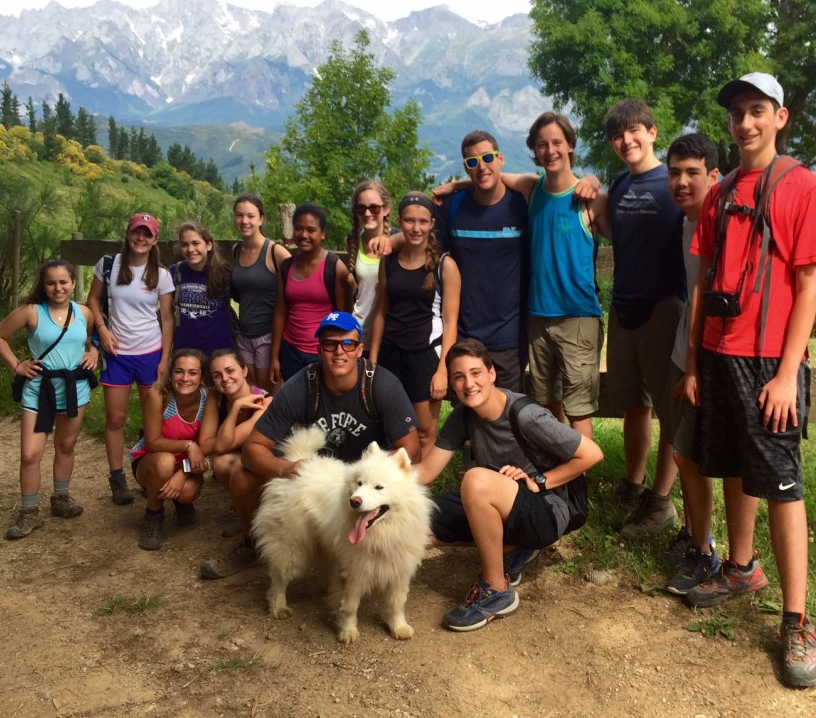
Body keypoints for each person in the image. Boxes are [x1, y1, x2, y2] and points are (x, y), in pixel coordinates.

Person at [682, 73, 816, 688]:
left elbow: (811, 281)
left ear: (780, 117)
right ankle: (741, 567)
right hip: (720, 353)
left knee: (782, 485)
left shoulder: (804, 187)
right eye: (738, 113)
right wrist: (694, 362)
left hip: (771, 362)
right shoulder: (719, 193)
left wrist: (787, 373)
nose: (745, 123)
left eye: (756, 111)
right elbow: (704, 275)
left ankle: (797, 621)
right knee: (738, 466)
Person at [200, 311, 420, 579]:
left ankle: (382, 550)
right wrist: (285, 468)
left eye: (348, 344)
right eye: (330, 344)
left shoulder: (382, 385)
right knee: (243, 476)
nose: (339, 352)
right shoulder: (302, 385)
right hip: (318, 476)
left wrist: (375, 477)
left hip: (363, 478)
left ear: (360, 349)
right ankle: (252, 543)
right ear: (319, 349)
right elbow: (252, 449)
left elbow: (411, 450)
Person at [415, 338, 603, 632]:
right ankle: (516, 547)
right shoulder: (463, 415)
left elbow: (592, 453)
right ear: (451, 382)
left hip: (548, 511)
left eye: (476, 373)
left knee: (475, 480)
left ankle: (495, 590)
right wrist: (371, 480)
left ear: (492, 374)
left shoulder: (525, 414)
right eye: (459, 376)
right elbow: (425, 472)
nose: (468, 384)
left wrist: (540, 481)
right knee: (418, 519)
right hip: (503, 503)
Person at [593, 99, 687, 539]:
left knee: (669, 410)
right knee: (635, 404)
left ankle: (661, 502)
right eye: (617, 135)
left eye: (634, 131)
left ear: (652, 131)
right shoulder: (620, 182)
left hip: (663, 308)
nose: (626, 140)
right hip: (624, 308)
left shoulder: (674, 181)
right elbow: (613, 229)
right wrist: (593, 187)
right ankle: (634, 485)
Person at [505, 112, 609, 440]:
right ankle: (555, 481)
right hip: (538, 317)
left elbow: (627, 238)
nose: (550, 150)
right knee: (546, 409)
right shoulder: (531, 188)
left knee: (579, 411)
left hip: (578, 317)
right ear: (534, 151)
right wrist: (451, 185)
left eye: (556, 143)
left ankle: (579, 488)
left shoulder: (591, 199)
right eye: (542, 144)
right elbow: (488, 176)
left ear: (570, 146)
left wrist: (594, 179)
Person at [0, 259, 98, 539]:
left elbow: (92, 336)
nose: (58, 288)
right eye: (51, 282)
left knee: (66, 444)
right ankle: (29, 512)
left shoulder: (83, 312)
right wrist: (17, 366)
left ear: (73, 283)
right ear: (43, 284)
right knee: (30, 454)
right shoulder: (31, 312)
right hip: (40, 389)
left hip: (75, 387)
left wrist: (94, 353)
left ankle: (61, 499)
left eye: (63, 282)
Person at [658, 133, 721, 593]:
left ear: (714, 177)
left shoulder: (722, 222)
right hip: (686, 350)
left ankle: (706, 550)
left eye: (692, 172)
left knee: (694, 453)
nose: (681, 181)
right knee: (683, 449)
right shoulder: (686, 222)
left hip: (712, 355)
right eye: (675, 172)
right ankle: (697, 533)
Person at [429, 130, 530, 391]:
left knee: (508, 415)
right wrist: (390, 243)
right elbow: (424, 248)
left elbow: (556, 189)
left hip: (511, 335)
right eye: (472, 162)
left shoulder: (522, 204)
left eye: (487, 158)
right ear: (465, 167)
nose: (481, 167)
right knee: (468, 416)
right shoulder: (452, 206)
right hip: (465, 334)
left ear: (501, 159)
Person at [87, 212, 175, 505]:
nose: (141, 238)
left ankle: (150, 471)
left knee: (155, 419)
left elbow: (167, 317)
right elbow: (93, 301)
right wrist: (101, 329)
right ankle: (117, 479)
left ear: (155, 239)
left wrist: (165, 358)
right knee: (116, 418)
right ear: (128, 233)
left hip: (150, 352)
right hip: (117, 354)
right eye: (137, 232)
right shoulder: (109, 265)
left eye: (147, 234)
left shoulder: (161, 275)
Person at [370, 191, 460, 458]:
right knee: (387, 427)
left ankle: (419, 491)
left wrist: (443, 369)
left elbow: (451, 321)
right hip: (390, 353)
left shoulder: (445, 266)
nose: (416, 228)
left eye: (423, 221)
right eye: (409, 221)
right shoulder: (389, 261)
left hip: (424, 355)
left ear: (432, 223)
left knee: (423, 431)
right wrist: (373, 361)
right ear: (399, 221)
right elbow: (381, 312)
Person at [130, 348, 209, 551]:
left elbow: (209, 445)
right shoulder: (159, 395)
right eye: (179, 371)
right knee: (164, 461)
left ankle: (182, 503)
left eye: (192, 373)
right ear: (170, 374)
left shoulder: (209, 399)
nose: (185, 378)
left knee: (187, 492)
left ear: (201, 377)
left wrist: (183, 472)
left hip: (189, 464)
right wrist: (188, 445)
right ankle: (153, 516)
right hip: (151, 460)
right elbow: (153, 442)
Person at [270, 203, 349, 386]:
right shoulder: (287, 267)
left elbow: (343, 316)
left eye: (311, 230)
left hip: (321, 353)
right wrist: (274, 357)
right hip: (290, 351)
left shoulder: (334, 267)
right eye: (298, 228)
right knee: (296, 408)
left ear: (323, 233)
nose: (304, 235)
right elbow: (281, 312)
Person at [197, 348, 272, 538]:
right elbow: (205, 446)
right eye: (217, 375)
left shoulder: (264, 401)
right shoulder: (216, 396)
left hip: (268, 465)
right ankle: (245, 513)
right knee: (220, 462)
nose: (225, 378)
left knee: (230, 462)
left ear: (244, 371)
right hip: (242, 458)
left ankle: (255, 519)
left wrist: (235, 412)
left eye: (230, 371)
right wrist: (236, 408)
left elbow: (220, 445)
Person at [229, 194, 292, 393]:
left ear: (261, 219)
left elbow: (296, 286)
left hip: (268, 335)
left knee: (268, 392)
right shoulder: (235, 250)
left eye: (250, 216)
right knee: (250, 389)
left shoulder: (276, 252)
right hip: (245, 335)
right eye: (239, 215)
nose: (244, 221)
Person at [171, 221, 235, 356]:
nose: (190, 249)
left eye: (195, 243)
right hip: (185, 352)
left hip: (219, 352)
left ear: (209, 245)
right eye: (184, 244)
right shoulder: (175, 272)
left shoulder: (225, 273)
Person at [345, 180, 392, 351]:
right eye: (361, 208)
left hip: (388, 334)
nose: (367, 213)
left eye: (374, 208)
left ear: (386, 209)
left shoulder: (397, 242)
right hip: (358, 332)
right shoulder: (352, 242)